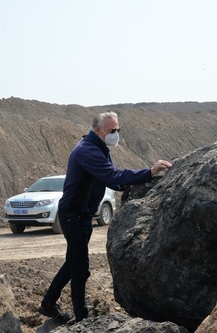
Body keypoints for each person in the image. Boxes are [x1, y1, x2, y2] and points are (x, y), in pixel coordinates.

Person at [38, 111, 172, 323]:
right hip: (73, 215)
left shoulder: (99, 147)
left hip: (82, 214)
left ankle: (47, 304)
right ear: (98, 130)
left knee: (72, 263)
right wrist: (148, 173)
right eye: (112, 130)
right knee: (80, 270)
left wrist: (125, 183)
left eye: (118, 130)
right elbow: (111, 175)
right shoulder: (87, 150)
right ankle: (83, 319)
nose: (116, 134)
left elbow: (110, 177)